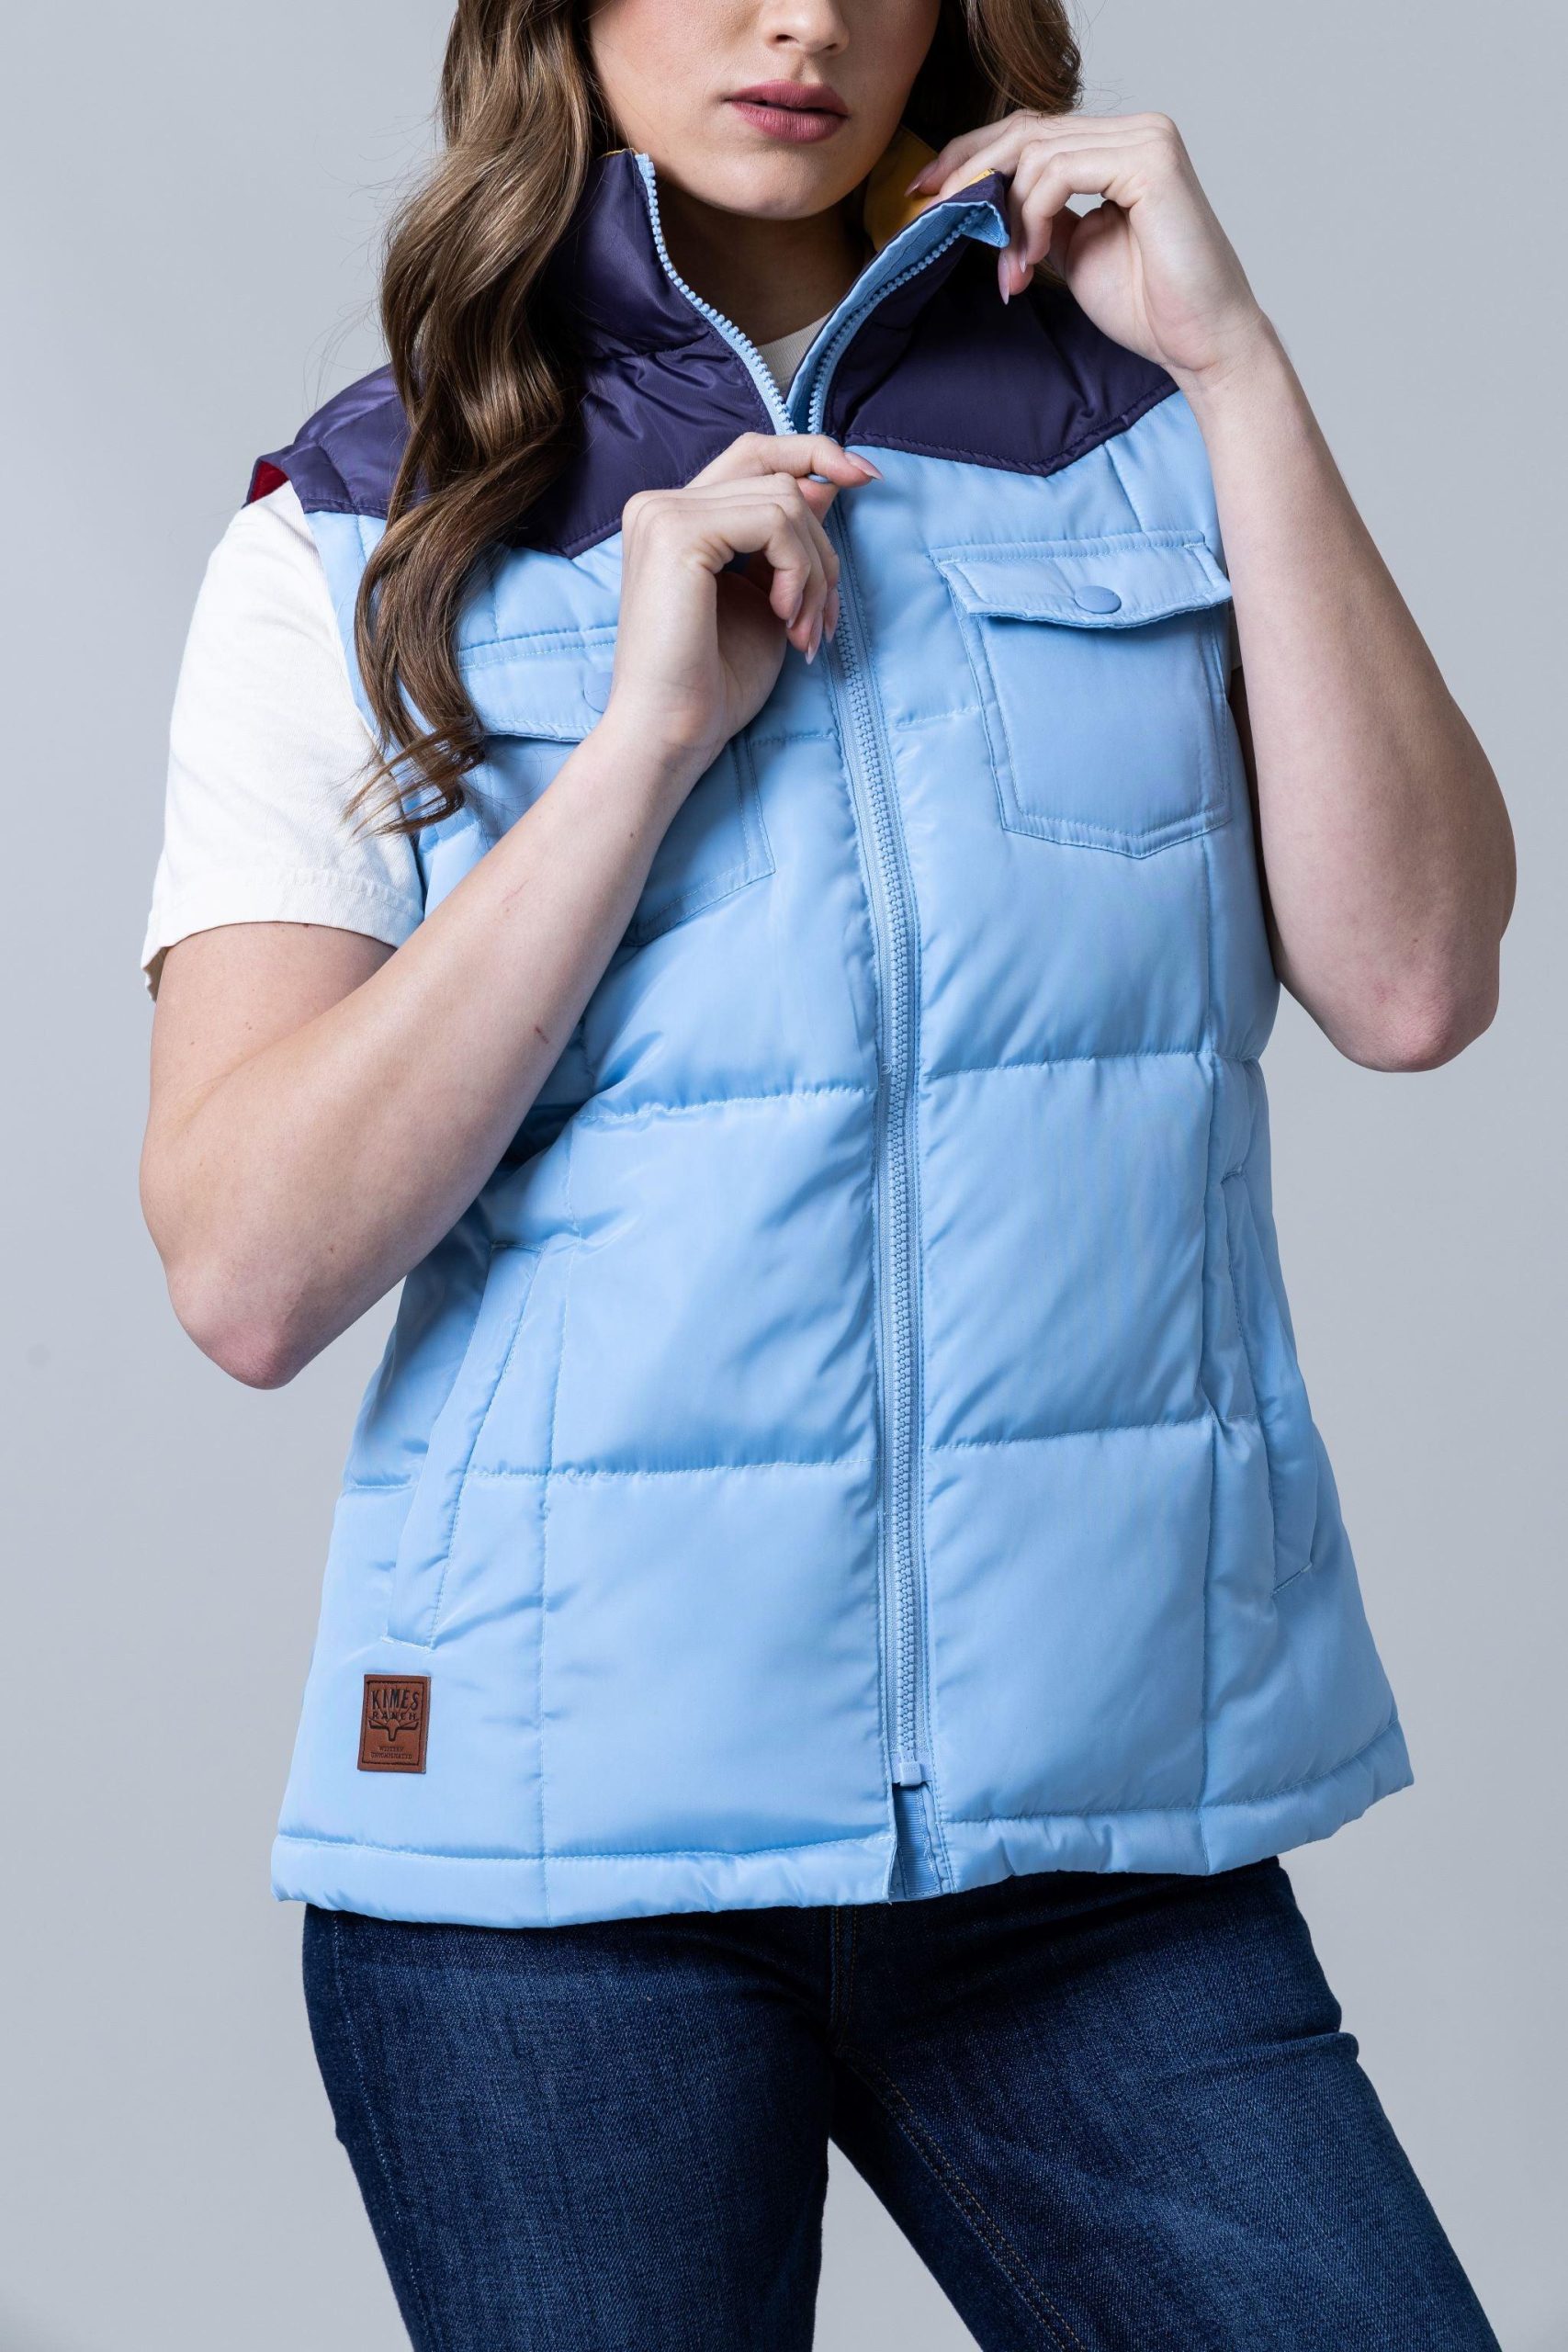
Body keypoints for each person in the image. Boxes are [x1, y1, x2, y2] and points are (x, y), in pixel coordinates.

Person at [138, 2, 1515, 2344]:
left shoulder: (1153, 443)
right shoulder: (357, 524)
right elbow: (250, 1262)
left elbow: (1408, 979)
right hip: (547, 1859)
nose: (802, 18)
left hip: (1093, 1829)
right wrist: (638, 750)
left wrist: (1235, 368)